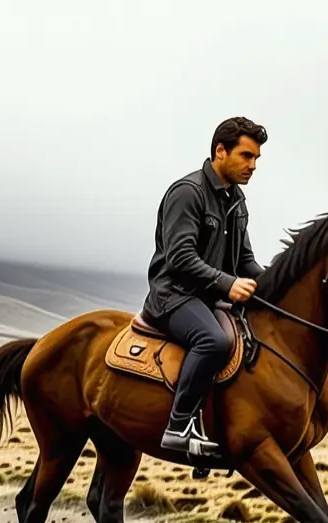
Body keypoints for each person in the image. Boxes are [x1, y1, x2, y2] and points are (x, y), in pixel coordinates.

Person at [141, 117, 267, 458]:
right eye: (246, 156)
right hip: (173, 296)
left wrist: (277, 286)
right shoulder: (188, 192)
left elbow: (245, 260)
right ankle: (178, 426)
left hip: (209, 300)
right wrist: (228, 284)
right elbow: (180, 257)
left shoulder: (237, 201)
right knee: (214, 340)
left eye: (256, 158)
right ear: (220, 151)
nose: (253, 166)